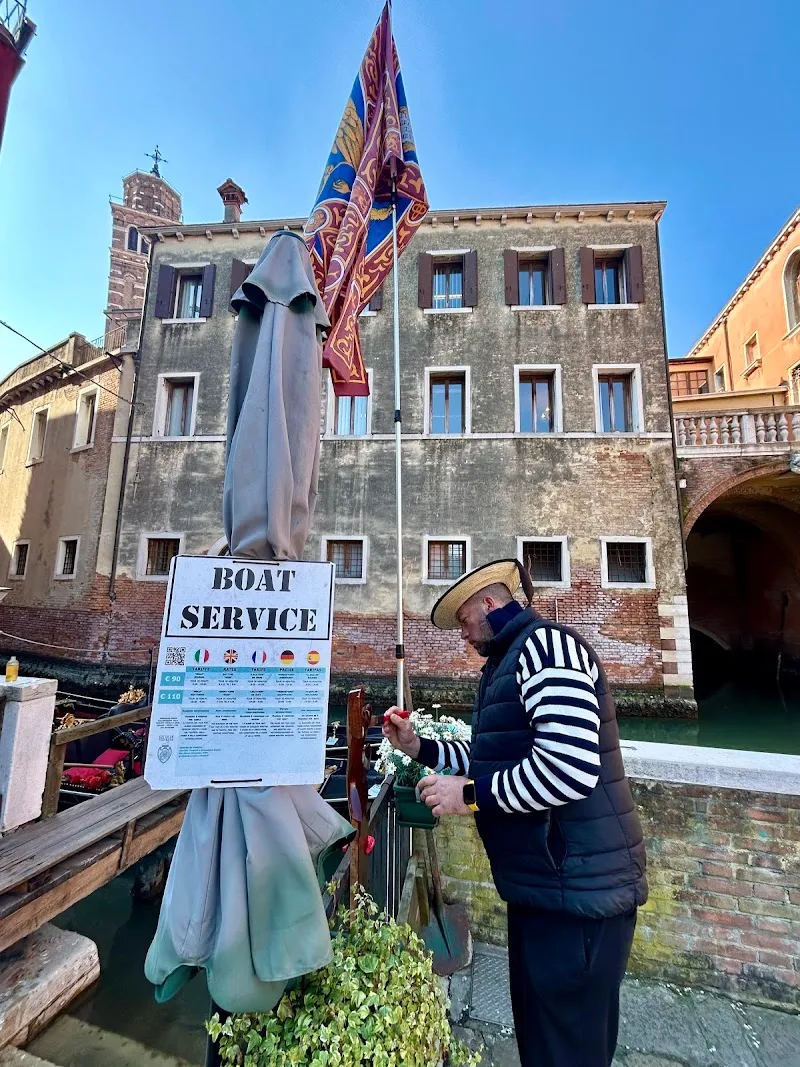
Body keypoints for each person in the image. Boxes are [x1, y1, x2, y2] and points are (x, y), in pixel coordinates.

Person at [382, 558, 647, 1067]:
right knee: (542, 1044)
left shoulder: (547, 648)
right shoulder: (507, 664)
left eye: (463, 622)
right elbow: (489, 758)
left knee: (568, 1050)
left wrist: (472, 796)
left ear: (489, 603)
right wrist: (417, 746)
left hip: (579, 896)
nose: (463, 636)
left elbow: (568, 770)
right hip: (544, 891)